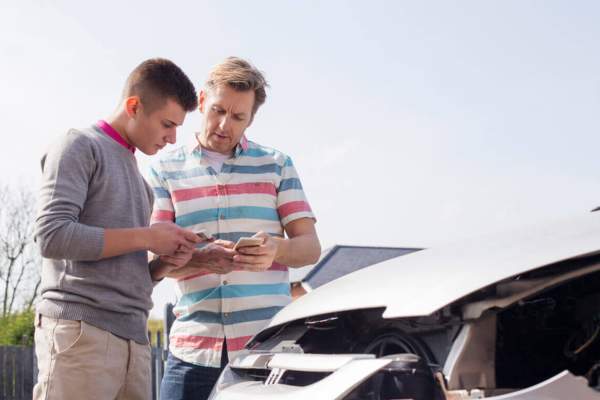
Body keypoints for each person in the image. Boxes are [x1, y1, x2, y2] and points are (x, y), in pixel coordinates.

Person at [150, 57, 322, 400]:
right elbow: (157, 258)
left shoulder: (277, 165)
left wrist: (277, 248)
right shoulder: (164, 169)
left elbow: (310, 248)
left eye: (238, 117)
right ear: (201, 102)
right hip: (192, 350)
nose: (224, 125)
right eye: (217, 110)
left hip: (266, 350)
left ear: (251, 119)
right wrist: (202, 261)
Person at [33, 58, 203, 400]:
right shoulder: (79, 145)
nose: (172, 139)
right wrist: (149, 237)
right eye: (167, 124)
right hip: (82, 335)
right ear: (134, 106)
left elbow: (124, 269)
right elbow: (51, 235)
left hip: (135, 341)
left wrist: (163, 265)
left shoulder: (141, 184)